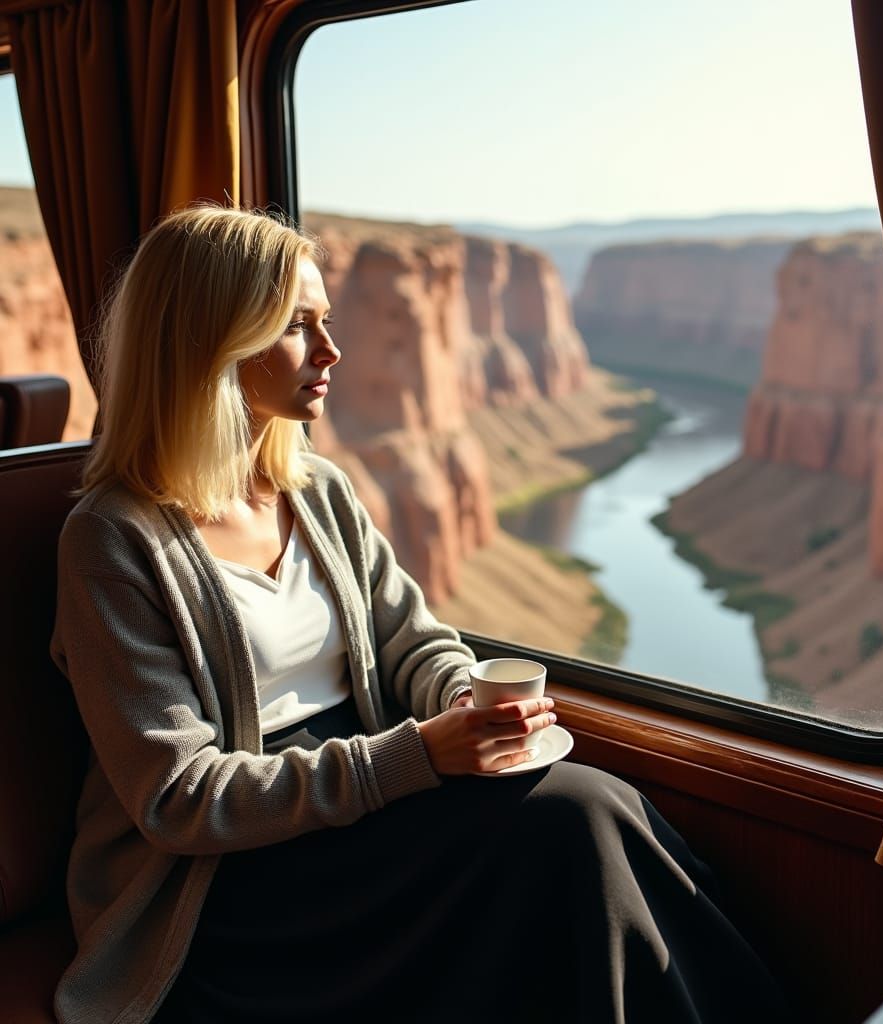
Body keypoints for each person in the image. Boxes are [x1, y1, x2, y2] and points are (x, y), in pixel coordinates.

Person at [51, 205, 786, 1024]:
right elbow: (181, 799)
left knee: (594, 803)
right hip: (229, 890)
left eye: (326, 321)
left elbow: (412, 640)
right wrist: (416, 757)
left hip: (355, 808)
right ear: (210, 343)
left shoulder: (316, 491)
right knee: (568, 827)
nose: (332, 351)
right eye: (298, 327)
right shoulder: (111, 541)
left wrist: (461, 699)